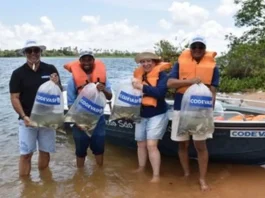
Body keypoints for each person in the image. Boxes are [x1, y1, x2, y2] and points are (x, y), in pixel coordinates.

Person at [167, 36, 220, 191]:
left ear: (205, 49)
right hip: (180, 109)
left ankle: (202, 180)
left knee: (200, 145)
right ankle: (186, 173)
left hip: (201, 112)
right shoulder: (180, 63)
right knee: (183, 143)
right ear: (190, 49)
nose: (197, 49)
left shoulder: (213, 67)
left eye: (200, 47)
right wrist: (190, 81)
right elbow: (170, 83)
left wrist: (210, 112)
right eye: (194, 47)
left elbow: (213, 91)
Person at [9, 40, 62, 177]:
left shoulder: (50, 69)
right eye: (29, 50)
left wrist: (56, 84)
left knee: (45, 151)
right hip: (27, 120)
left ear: (40, 52)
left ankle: (44, 184)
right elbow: (14, 97)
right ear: (25, 53)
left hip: (47, 119)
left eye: (36, 50)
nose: (33, 53)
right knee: (26, 154)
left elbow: (59, 92)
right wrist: (24, 116)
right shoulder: (18, 73)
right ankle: (26, 188)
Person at [64, 51, 112, 168]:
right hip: (80, 121)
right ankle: (80, 174)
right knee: (80, 151)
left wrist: (104, 89)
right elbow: (70, 104)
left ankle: (99, 173)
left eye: (89, 59)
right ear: (79, 62)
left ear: (93, 61)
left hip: (98, 120)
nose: (86, 62)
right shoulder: (73, 81)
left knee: (99, 149)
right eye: (83, 60)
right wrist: (78, 121)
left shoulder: (103, 78)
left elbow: (110, 96)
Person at [132, 51, 171, 183]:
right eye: (143, 61)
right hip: (141, 113)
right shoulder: (138, 75)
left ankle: (156, 176)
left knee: (151, 145)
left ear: (155, 62)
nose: (146, 64)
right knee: (140, 143)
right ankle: (141, 168)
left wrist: (141, 87)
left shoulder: (162, 75)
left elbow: (160, 93)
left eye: (149, 61)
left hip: (157, 113)